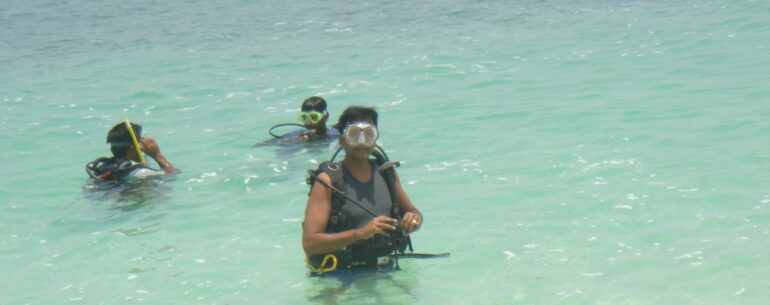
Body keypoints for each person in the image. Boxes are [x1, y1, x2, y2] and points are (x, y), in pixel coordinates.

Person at [302, 106, 423, 274]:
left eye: (369, 134)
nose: (362, 141)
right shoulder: (328, 181)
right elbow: (310, 244)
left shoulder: (386, 173)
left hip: (385, 269)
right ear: (342, 140)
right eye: (354, 134)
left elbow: (412, 211)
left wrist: (414, 219)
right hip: (340, 276)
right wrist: (361, 233)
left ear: (375, 140)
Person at [86, 121, 179, 182]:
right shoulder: (141, 173)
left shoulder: (105, 168)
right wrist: (157, 155)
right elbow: (174, 175)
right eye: (140, 143)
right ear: (132, 148)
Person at [255, 96, 339, 147]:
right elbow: (265, 144)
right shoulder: (298, 134)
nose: (308, 122)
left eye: (313, 117)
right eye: (304, 117)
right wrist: (294, 140)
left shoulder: (334, 135)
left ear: (325, 116)